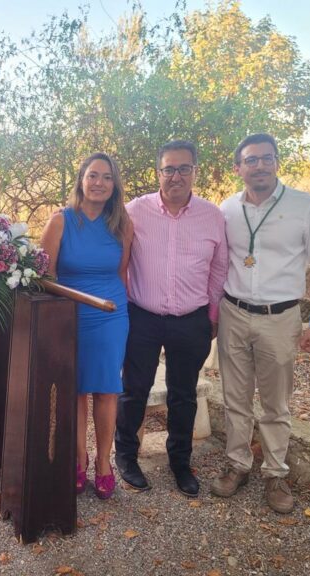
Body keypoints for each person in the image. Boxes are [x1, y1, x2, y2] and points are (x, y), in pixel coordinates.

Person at [212, 133, 310, 513]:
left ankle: (275, 471)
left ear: (277, 163)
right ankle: (237, 464)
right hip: (233, 313)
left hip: (280, 318)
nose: (260, 166)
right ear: (238, 168)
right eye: (251, 160)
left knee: (275, 402)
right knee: (235, 397)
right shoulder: (227, 209)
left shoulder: (306, 207)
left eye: (267, 158)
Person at [115, 140, 227, 498]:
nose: (175, 176)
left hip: (191, 320)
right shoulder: (135, 210)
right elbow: (119, 261)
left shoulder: (212, 216)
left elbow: (219, 269)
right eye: (169, 168)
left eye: (183, 168)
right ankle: (127, 457)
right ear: (158, 172)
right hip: (142, 317)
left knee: (184, 395)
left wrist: (211, 316)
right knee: (134, 390)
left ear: (195, 171)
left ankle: (180, 462)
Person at [41, 152, 132, 500]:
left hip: (110, 314)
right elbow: (46, 277)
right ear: (81, 180)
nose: (99, 183)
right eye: (93, 175)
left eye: (107, 177)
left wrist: (120, 312)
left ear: (114, 185)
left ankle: (104, 463)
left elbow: (121, 272)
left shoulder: (123, 224)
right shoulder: (60, 221)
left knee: (107, 389)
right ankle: (77, 459)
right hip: (70, 315)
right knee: (76, 390)